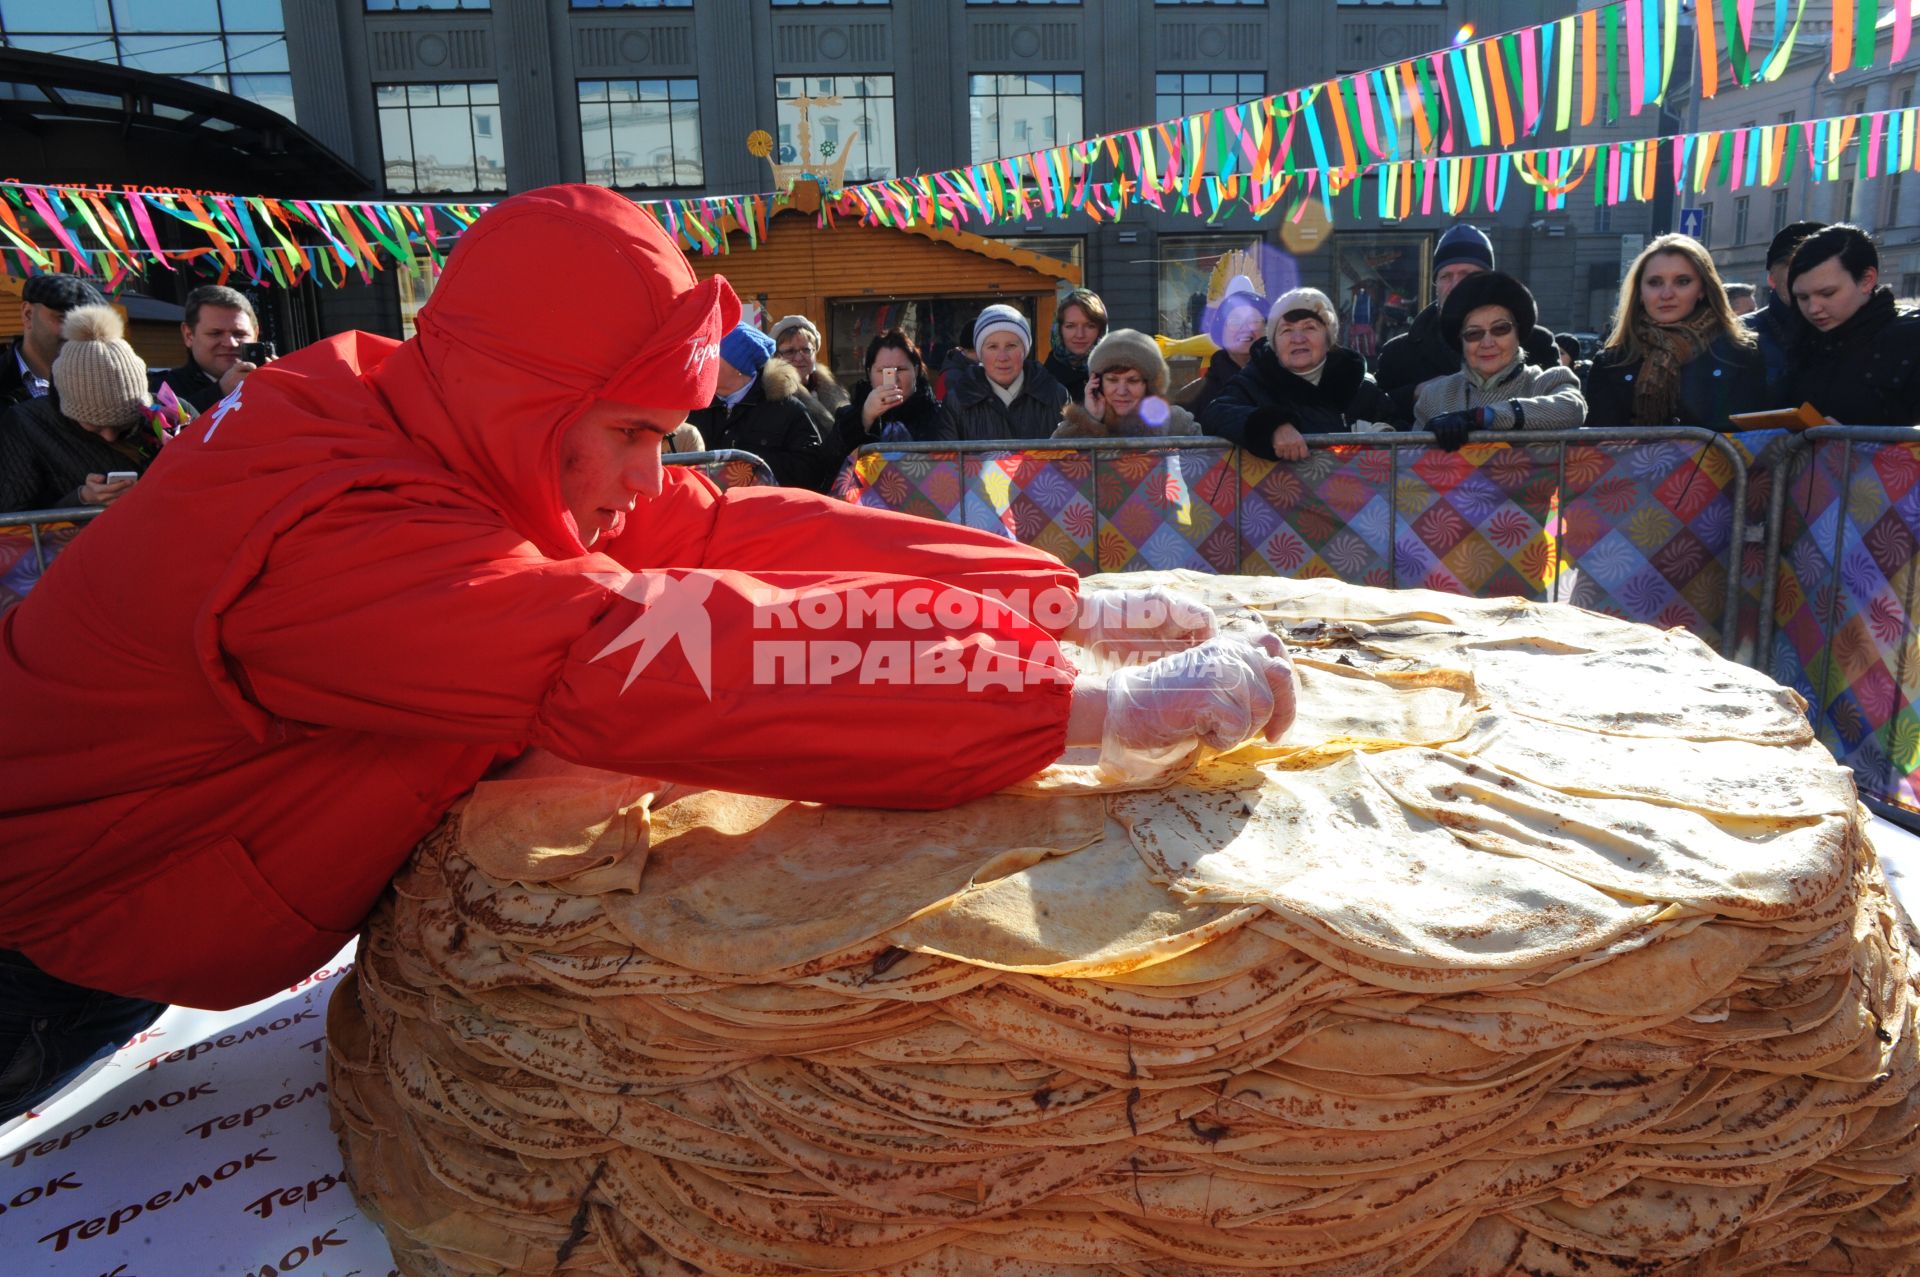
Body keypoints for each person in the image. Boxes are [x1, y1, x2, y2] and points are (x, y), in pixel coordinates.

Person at [0, 184, 1294, 1121]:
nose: (651, 470)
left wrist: (1056, 600)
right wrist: (1075, 710)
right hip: (42, 964)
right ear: (538, 406)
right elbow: (668, 657)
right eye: (631, 431)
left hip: (152, 915)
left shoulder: (442, 415)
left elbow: (731, 526)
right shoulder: (340, 537)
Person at [1585, 234, 1768, 431]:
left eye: (1682, 281)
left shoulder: (1740, 352)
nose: (1666, 294)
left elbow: (1752, 440)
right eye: (1655, 282)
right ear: (1639, 292)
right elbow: (1598, 447)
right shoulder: (1611, 361)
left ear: (1702, 289)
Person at [1200, 289, 1404, 461]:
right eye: (1286, 330)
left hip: (1356, 503)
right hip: (1274, 502)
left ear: (1329, 337)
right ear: (1274, 343)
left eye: (1309, 327)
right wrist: (1271, 426)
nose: (1298, 338)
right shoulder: (1254, 382)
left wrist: (1382, 435)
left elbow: (1404, 434)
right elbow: (1217, 413)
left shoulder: (1360, 386)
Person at [1375, 224, 1558, 416]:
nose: (1456, 285)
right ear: (1436, 284)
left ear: (1488, 279)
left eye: (1467, 274)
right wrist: (1415, 393)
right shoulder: (1398, 353)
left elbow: (1561, 409)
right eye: (1446, 276)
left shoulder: (1535, 342)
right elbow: (1376, 414)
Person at [0, 305, 156, 512]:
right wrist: (81, 499)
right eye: (95, 425)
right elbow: (15, 515)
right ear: (67, 407)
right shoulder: (27, 423)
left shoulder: (172, 414)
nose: (109, 436)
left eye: (123, 425)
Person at [1413, 272, 1587, 449]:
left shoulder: (1547, 382)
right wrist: (1428, 441)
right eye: (1474, 333)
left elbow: (1572, 409)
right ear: (1461, 341)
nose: (1487, 343)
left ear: (1518, 333)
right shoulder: (1434, 397)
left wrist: (1481, 417)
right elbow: (1409, 462)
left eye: (1500, 329)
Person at [1783, 224, 1920, 426]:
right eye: (1802, 297)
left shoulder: (1910, 339)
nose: (1813, 308)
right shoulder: (1802, 340)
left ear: (1867, 280)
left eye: (1827, 293)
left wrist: (1855, 442)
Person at [687, 322, 836, 490]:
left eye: (712, 353)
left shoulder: (786, 409)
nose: (702, 362)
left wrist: (749, 466)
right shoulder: (694, 408)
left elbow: (810, 469)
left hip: (768, 510)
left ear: (739, 365)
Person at [940, 304, 1069, 440]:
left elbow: (1073, 457)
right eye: (992, 347)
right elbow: (945, 460)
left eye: (1011, 346)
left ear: (1025, 351)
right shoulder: (957, 402)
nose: (1002, 357)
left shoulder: (1056, 395)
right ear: (980, 353)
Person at [1052, 329, 1200, 439]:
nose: (1122, 391)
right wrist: (1089, 421)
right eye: (1112, 380)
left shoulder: (1178, 424)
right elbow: (1050, 471)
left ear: (1150, 385)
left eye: (1133, 380)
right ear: (1097, 384)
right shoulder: (1076, 429)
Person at [831, 328, 946, 469]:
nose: (893, 379)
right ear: (869, 373)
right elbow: (829, 463)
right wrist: (864, 418)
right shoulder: (847, 416)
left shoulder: (941, 415)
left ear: (915, 371)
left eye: (901, 370)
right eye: (883, 371)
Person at [148, 284, 265, 415]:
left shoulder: (275, 381)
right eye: (215, 333)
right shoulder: (161, 389)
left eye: (239, 334)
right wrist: (219, 392)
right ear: (188, 335)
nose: (230, 343)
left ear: (255, 334)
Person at [0, 273, 106, 408]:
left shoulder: (110, 382)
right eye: (64, 319)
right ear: (28, 314)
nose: (77, 332)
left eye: (87, 323)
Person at [1745, 221, 1825, 396]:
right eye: (1796, 266)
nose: (1808, 276)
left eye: (1818, 265)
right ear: (1772, 278)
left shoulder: (1858, 330)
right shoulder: (1740, 334)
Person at [1173, 277, 1267, 416]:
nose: (1245, 328)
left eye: (1253, 320)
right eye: (1235, 320)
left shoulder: (1283, 383)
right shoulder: (1192, 396)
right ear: (1221, 331)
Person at [770, 314, 849, 412]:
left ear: (815, 352)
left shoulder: (834, 391)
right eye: (789, 351)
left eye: (806, 350)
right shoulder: (773, 401)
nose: (799, 358)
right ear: (777, 357)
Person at [1042, 288, 1108, 402]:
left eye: (1090, 326)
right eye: (1070, 326)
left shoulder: (1115, 378)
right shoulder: (1041, 382)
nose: (1080, 335)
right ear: (1058, 330)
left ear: (1100, 330)